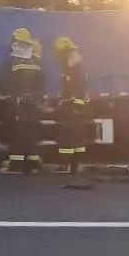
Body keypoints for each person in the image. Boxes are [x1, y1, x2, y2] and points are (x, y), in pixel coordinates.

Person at [0, 28, 45, 175]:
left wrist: (4, 98)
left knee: (17, 133)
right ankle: (34, 164)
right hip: (34, 104)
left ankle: (16, 165)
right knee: (32, 133)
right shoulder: (37, 61)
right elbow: (42, 82)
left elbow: (6, 83)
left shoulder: (13, 62)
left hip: (18, 104)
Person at [54, 36, 91, 182]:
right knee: (76, 138)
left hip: (74, 109)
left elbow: (79, 89)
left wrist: (75, 106)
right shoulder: (72, 66)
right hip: (74, 108)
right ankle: (74, 165)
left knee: (69, 137)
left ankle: (69, 165)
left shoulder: (74, 69)